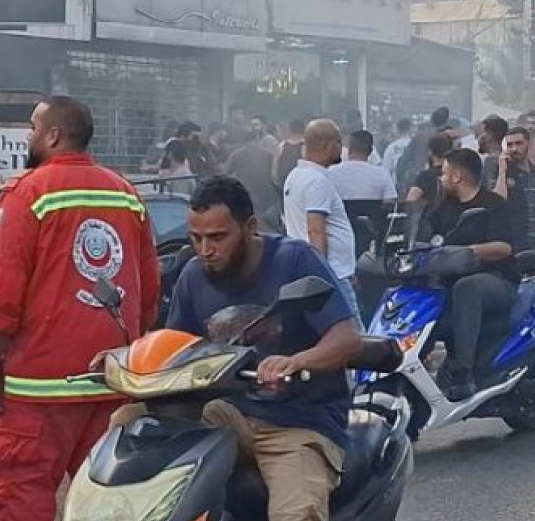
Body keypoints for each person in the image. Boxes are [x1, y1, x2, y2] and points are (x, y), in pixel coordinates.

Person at [108, 176, 360, 521]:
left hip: (298, 422)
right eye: (196, 238)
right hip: (226, 413)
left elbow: (346, 338)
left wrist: (295, 361)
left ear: (250, 226)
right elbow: (176, 350)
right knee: (129, 423)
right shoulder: (194, 275)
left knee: (297, 513)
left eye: (217, 237)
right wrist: (127, 362)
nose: (205, 249)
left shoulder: (294, 260)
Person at [0, 96, 159, 521]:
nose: (29, 135)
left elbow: (3, 294)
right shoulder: (125, 194)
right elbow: (148, 291)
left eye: (34, 127)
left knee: (24, 497)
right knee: (108, 502)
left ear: (53, 135)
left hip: (39, 388)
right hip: (111, 378)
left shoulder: (28, 193)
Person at [422, 149, 515, 401]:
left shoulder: (492, 205)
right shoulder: (442, 208)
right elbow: (423, 236)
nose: (440, 179)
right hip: (447, 283)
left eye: (444, 173)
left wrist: (467, 252)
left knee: (467, 287)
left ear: (457, 176)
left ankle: (464, 371)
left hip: (496, 281)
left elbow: (504, 247)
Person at [280, 119, 359, 315]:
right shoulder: (316, 181)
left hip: (315, 271)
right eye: (339, 143)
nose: (342, 148)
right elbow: (315, 229)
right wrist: (323, 274)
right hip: (332, 274)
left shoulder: (296, 175)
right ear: (327, 146)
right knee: (356, 339)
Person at [489, 128, 535, 259]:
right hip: (516, 243)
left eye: (519, 143)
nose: (514, 149)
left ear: (529, 144)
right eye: (510, 145)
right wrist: (502, 170)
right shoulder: (503, 174)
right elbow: (497, 200)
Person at [226, 124, 281, 234]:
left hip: (245, 196)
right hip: (266, 198)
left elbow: (225, 172)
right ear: (257, 138)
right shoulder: (268, 154)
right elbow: (276, 175)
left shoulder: (236, 155)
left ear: (243, 139)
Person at [329, 130, 398, 203]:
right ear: (370, 151)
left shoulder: (331, 173)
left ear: (349, 149)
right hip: (373, 214)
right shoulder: (382, 174)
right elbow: (390, 202)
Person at [403, 133, 455, 208]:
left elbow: (410, 201)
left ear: (430, 152)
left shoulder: (425, 176)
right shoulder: (456, 174)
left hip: (432, 217)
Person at [382, 118, 412, 195]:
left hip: (395, 188)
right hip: (413, 187)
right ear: (411, 129)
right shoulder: (415, 145)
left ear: (397, 130)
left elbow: (386, 170)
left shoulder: (392, 147)